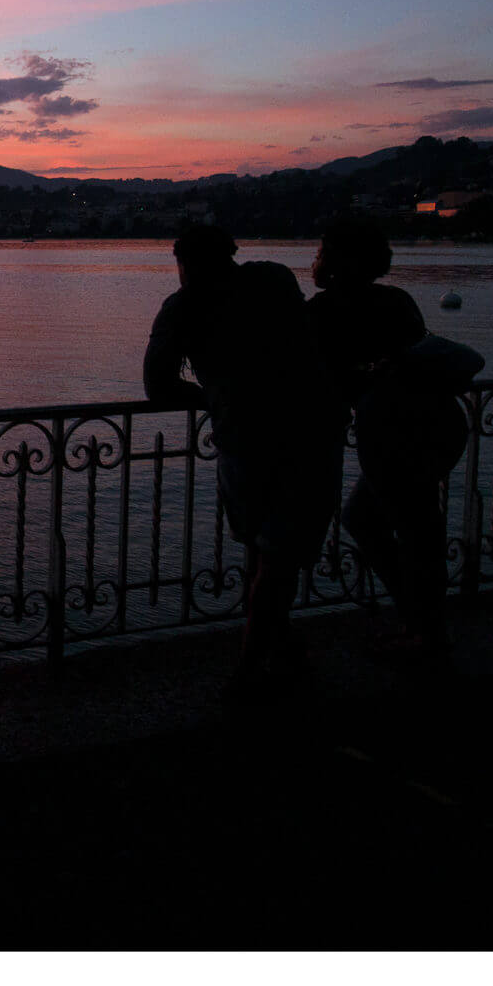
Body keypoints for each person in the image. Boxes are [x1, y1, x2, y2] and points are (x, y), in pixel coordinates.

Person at [144, 224, 346, 700]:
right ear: (232, 254)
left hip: (247, 438)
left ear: (183, 263)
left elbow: (158, 386)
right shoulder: (274, 279)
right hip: (315, 427)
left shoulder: (182, 308)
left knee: (266, 552)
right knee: (278, 552)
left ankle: (250, 669)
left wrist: (211, 396)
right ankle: (279, 647)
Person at [306, 217, 469, 663]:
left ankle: (426, 632)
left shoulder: (325, 311)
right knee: (394, 520)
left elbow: (323, 379)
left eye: (322, 250)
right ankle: (421, 621)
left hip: (393, 428)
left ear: (338, 259)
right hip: (440, 421)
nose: (316, 259)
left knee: (408, 528)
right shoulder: (397, 300)